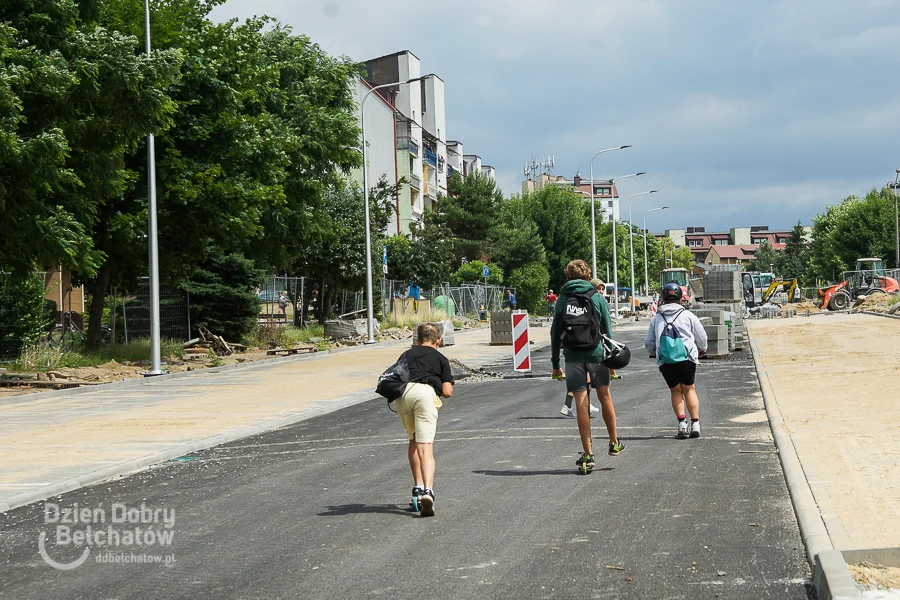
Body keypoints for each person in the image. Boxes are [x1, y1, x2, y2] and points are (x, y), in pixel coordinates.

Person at [551, 259, 625, 471]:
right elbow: (607, 333)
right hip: (597, 355)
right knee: (605, 396)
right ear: (587, 276)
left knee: (581, 401)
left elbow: (555, 333)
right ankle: (614, 443)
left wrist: (556, 363)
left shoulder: (562, 298)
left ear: (568, 276)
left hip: (573, 356)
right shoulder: (597, 297)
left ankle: (588, 454)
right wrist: (611, 361)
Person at [394, 323, 454, 516]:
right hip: (425, 395)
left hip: (403, 395)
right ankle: (428, 491)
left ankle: (417, 488)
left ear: (417, 341)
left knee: (413, 439)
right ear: (439, 341)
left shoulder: (405, 355)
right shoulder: (441, 358)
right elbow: (447, 392)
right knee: (425, 447)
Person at [644, 283, 708, 439]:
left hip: (666, 360)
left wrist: (653, 352)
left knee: (675, 390)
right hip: (687, 358)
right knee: (689, 389)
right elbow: (702, 337)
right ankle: (696, 424)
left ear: (663, 299)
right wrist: (702, 349)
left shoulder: (657, 318)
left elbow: (649, 342)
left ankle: (682, 424)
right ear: (680, 299)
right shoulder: (688, 316)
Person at [591, 278, 623, 381]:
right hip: (596, 345)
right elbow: (607, 328)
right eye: (598, 288)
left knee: (579, 386)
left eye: (602, 289)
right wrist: (611, 353)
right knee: (603, 385)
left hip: (579, 346)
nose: (600, 291)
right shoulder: (600, 301)